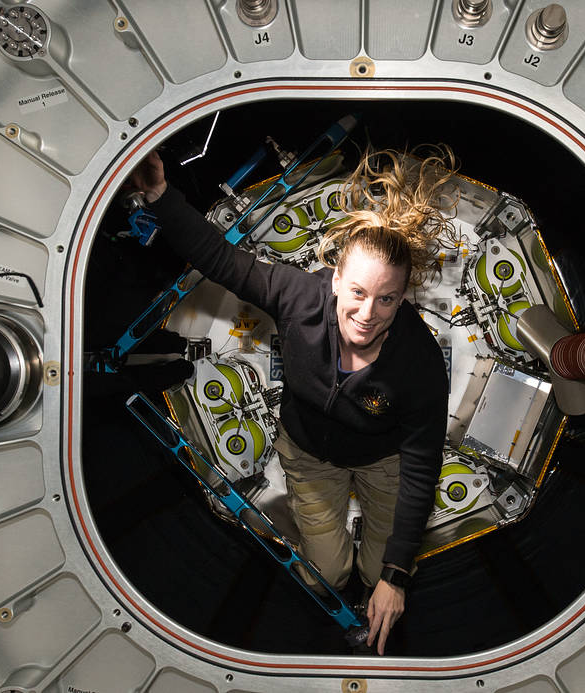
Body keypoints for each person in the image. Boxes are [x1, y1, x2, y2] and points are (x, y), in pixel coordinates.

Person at [129, 144, 456, 655]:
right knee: (324, 574)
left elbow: (421, 466)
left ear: (403, 297)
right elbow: (222, 260)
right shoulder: (299, 296)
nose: (369, 313)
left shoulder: (419, 364)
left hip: (381, 461)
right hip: (309, 456)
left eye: (387, 298)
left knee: (380, 572)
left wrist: (394, 575)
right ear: (335, 281)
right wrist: (160, 198)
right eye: (357, 292)